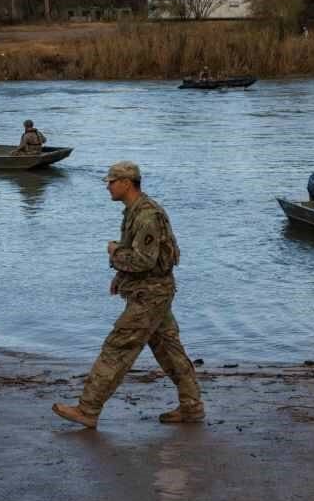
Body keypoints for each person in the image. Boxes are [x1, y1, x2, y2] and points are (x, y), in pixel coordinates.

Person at [52, 161, 205, 429]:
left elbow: (144, 261)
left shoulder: (147, 215)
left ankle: (88, 410)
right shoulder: (134, 211)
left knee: (117, 347)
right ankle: (192, 407)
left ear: (126, 183)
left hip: (150, 296)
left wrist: (114, 254)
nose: (108, 187)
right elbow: (141, 259)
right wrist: (120, 276)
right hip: (152, 292)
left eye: (111, 182)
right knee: (169, 350)